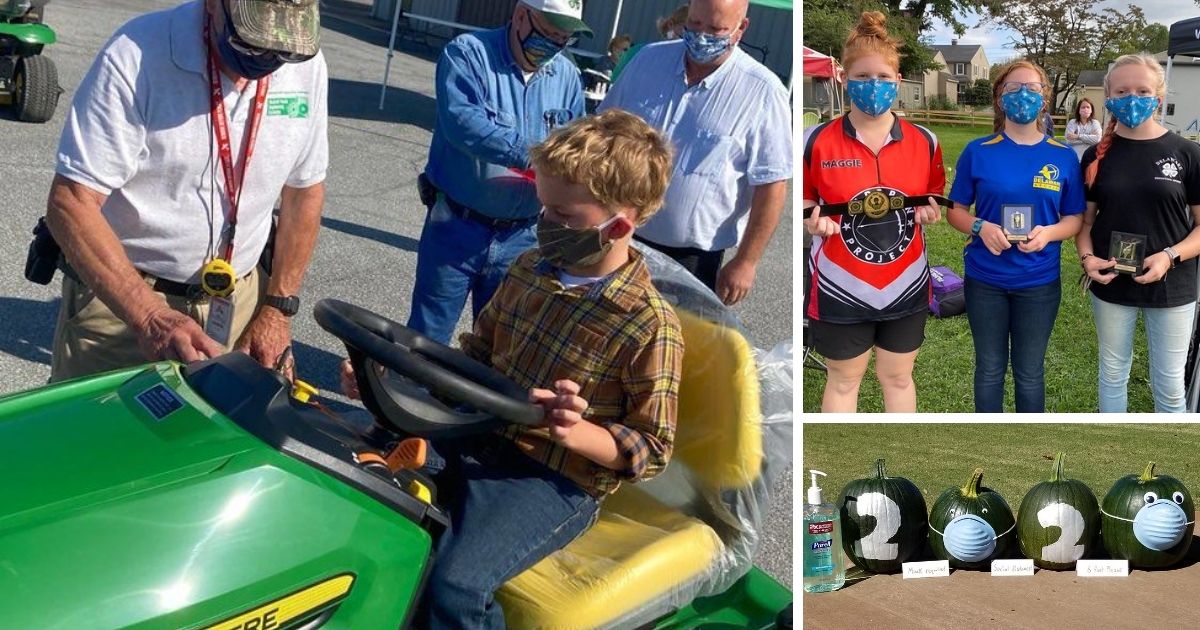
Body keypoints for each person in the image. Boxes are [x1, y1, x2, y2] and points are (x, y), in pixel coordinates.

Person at [342, 110, 682, 628]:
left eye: (564, 216)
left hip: (551, 477)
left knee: (456, 583)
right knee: (357, 485)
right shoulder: (528, 269)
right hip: (477, 433)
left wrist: (578, 431)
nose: (546, 224)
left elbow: (651, 448)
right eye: (543, 208)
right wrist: (393, 382)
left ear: (619, 225)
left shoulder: (648, 324)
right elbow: (474, 358)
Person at [45, 0, 327, 382]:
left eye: (284, 50)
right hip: (125, 302)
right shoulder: (138, 52)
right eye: (250, 43)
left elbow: (304, 193)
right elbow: (72, 202)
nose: (269, 60)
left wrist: (277, 309)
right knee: (94, 437)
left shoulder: (306, 65)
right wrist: (150, 316)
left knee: (216, 438)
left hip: (238, 304)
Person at [409, 0, 590, 344]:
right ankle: (408, 396)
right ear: (522, 15)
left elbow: (578, 143)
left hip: (523, 235)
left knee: (502, 345)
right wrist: (539, 156)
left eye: (563, 39)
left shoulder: (566, 75)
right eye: (549, 34)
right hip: (457, 225)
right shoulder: (468, 54)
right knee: (427, 335)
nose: (554, 46)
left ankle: (471, 400)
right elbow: (463, 125)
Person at [600, 0, 791, 305]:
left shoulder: (763, 92)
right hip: (616, 235)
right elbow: (601, 131)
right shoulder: (647, 61)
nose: (702, 37)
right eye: (696, 24)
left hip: (691, 261)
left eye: (716, 29)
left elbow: (771, 186)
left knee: (671, 345)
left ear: (741, 28)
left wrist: (746, 262)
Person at [801, 11, 945, 413]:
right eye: (863, 77)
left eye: (883, 77)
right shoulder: (816, 141)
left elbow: (932, 196)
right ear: (844, 79)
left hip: (906, 284)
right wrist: (813, 218)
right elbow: (805, 200)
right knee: (844, 383)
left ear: (898, 82)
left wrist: (929, 212)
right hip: (841, 285)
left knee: (898, 378)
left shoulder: (925, 141)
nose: (874, 86)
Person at [946, 60, 1085, 413]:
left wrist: (1049, 233)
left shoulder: (1064, 157)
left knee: (1029, 373)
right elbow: (955, 210)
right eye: (1013, 88)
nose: (1023, 94)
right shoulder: (979, 150)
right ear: (999, 98)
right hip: (985, 280)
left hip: (1038, 283)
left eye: (1032, 88)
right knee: (990, 370)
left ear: (1044, 99)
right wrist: (981, 226)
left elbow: (1075, 219)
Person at [1076, 53, 1200, 413]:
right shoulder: (1096, 157)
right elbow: (1084, 224)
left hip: (1172, 285)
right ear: (1109, 97)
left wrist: (1169, 256)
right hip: (1111, 282)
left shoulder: (1187, 153)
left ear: (1158, 97)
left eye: (1142, 90)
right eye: (1123, 90)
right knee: (1112, 375)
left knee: (1169, 383)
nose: (1133, 98)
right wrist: (1088, 260)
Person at [611, 3, 688, 83]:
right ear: (671, 25)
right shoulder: (640, 52)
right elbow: (615, 83)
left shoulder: (688, 66)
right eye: (686, 30)